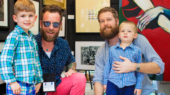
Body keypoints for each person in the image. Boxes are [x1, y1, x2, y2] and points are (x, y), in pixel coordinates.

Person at [93, 7, 165, 95]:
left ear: (117, 21)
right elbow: (98, 80)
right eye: (102, 21)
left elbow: (159, 67)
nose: (105, 23)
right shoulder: (101, 52)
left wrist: (134, 66)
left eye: (109, 19)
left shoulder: (138, 40)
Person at [35, 5, 86, 95]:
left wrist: (71, 69)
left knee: (80, 78)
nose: (51, 27)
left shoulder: (64, 45)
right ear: (40, 24)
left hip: (56, 88)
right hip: (34, 90)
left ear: (60, 25)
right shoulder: (30, 43)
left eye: (55, 24)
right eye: (47, 23)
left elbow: (71, 61)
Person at [0, 0, 43, 94]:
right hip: (17, 85)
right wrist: (12, 81)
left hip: (31, 84)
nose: (27, 19)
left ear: (35, 18)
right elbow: (4, 60)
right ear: (15, 18)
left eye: (30, 15)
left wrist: (39, 80)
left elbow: (36, 61)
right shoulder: (14, 36)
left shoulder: (32, 39)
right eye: (23, 16)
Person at [103, 21, 144, 95]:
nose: (125, 33)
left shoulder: (137, 50)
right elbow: (107, 66)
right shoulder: (112, 49)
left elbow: (140, 70)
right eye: (122, 31)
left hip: (129, 85)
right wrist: (105, 82)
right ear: (119, 35)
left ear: (135, 35)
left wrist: (139, 86)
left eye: (129, 31)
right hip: (112, 83)